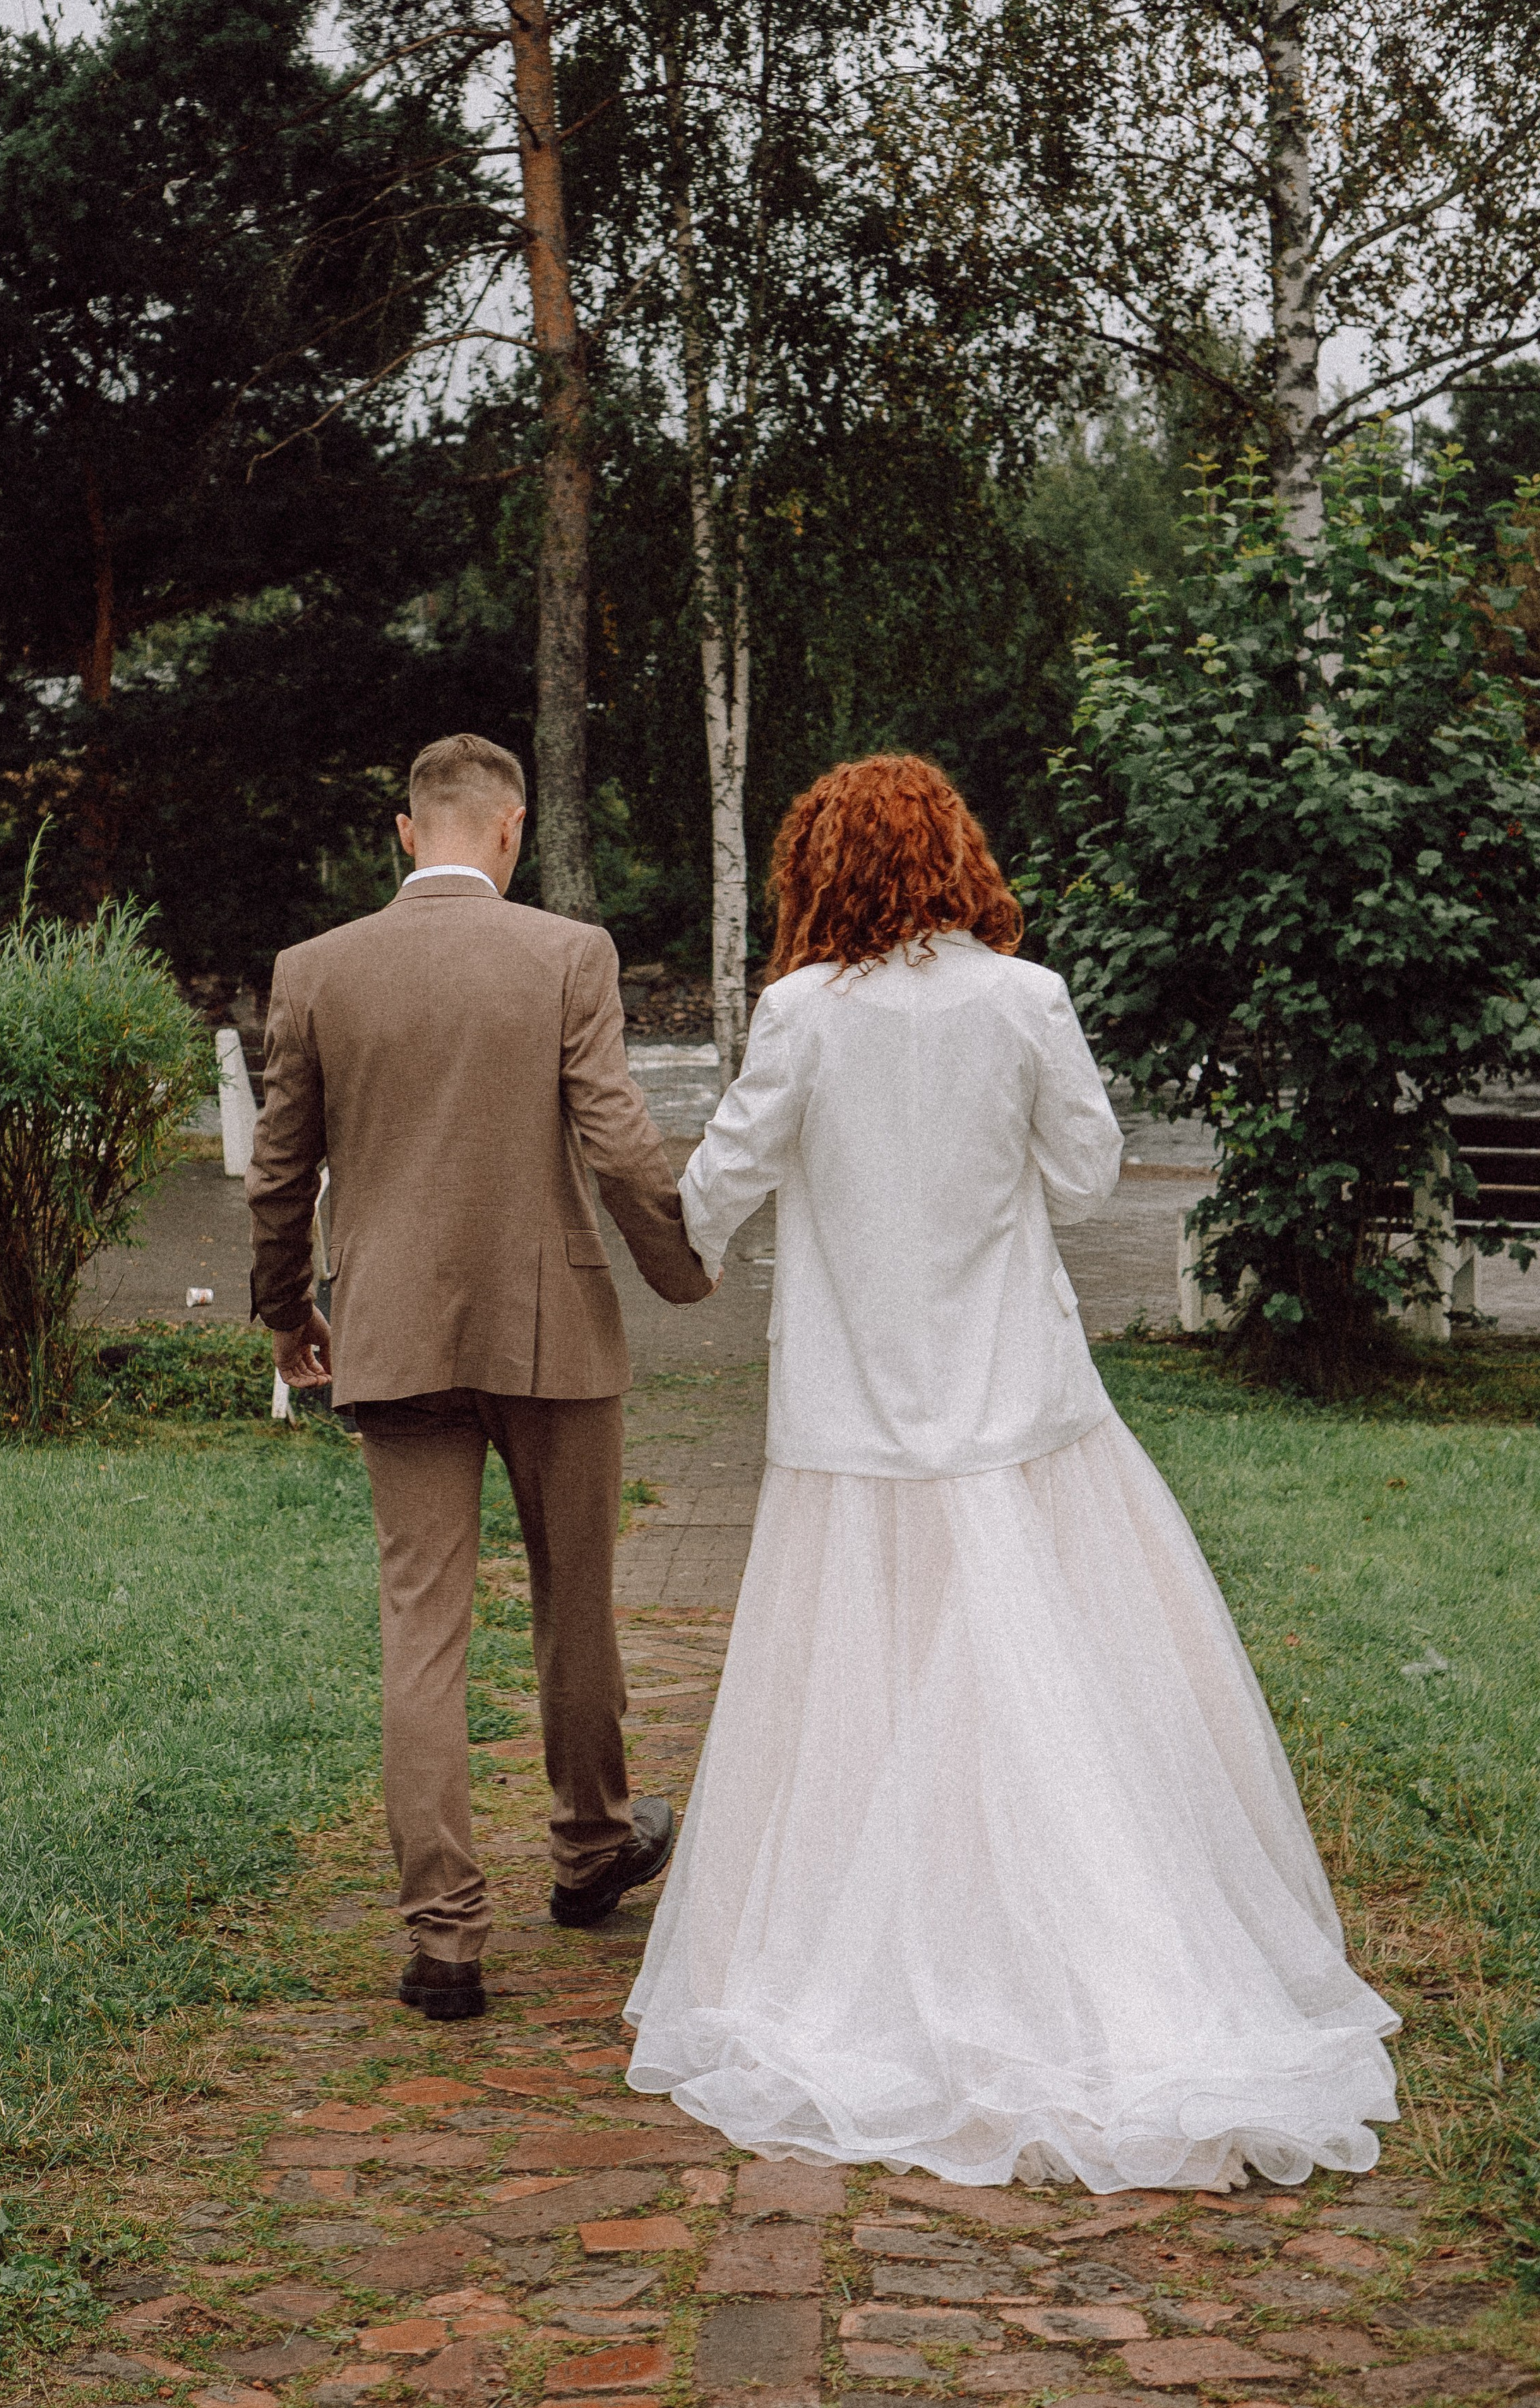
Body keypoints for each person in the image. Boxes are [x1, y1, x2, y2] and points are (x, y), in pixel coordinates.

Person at [625, 753, 1398, 2190]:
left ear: (817, 870)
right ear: (958, 861)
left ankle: (876, 1932)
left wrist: (703, 1239)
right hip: (1014, 1395)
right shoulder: (1023, 1000)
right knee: (1044, 1669)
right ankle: (1075, 1938)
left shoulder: (798, 1016)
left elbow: (717, 1185)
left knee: (859, 1674)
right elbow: (1090, 1172)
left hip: (853, 1408)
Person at [246, 732, 716, 2022]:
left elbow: (278, 1173)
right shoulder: (568, 954)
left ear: (410, 833)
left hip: (391, 1332)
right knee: (577, 1597)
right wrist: (680, 1269)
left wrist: (289, 1316)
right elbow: (620, 1141)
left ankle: (445, 1938)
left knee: (422, 1624)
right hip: (553, 1328)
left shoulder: (316, 970)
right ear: (510, 832)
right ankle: (587, 1848)